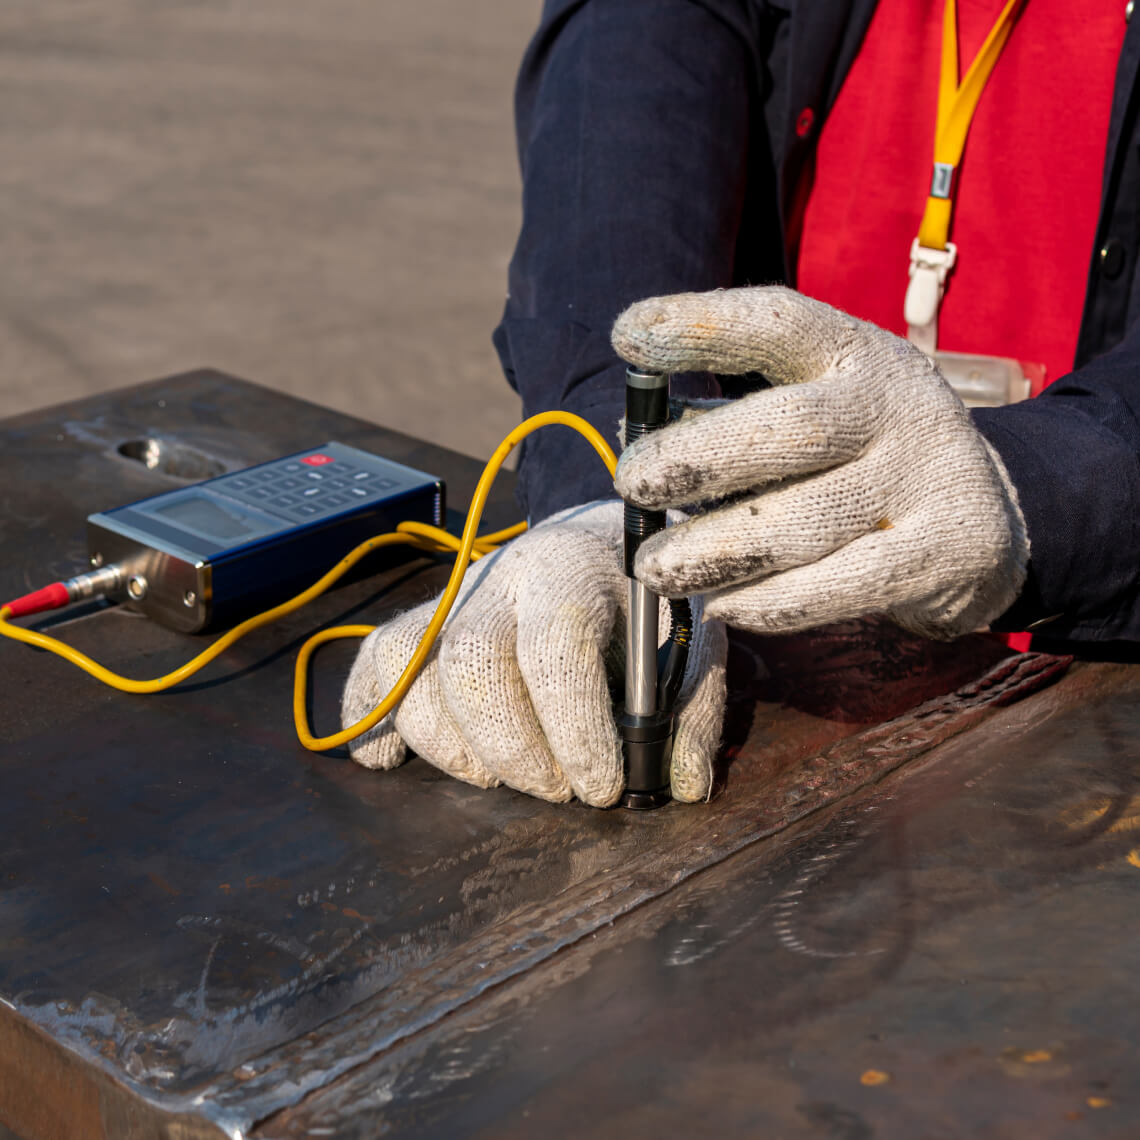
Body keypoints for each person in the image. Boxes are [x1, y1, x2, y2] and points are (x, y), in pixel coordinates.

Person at [342, 0, 1140, 806]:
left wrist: (1027, 494)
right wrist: (610, 496)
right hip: (772, 674)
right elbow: (627, 85)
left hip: (1085, 708)